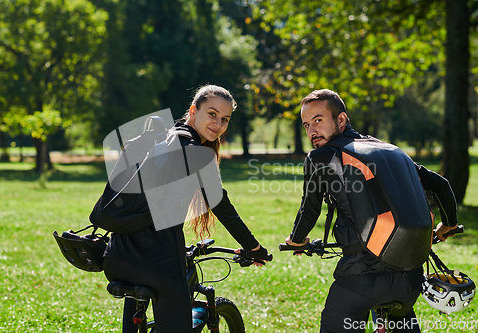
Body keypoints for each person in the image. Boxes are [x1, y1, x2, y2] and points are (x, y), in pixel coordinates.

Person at [284, 89, 459, 333]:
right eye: (306, 125)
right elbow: (441, 185)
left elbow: (309, 210)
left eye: (318, 120)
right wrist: (449, 225)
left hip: (359, 282)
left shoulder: (320, 157)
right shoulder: (391, 151)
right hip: (409, 282)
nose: (312, 131)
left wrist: (296, 240)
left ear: (341, 119)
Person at [102, 84, 270, 333]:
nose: (218, 124)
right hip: (158, 264)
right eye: (212, 114)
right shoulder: (195, 153)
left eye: (225, 119)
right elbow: (222, 207)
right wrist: (254, 248)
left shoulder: (158, 141)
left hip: (117, 258)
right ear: (193, 111)